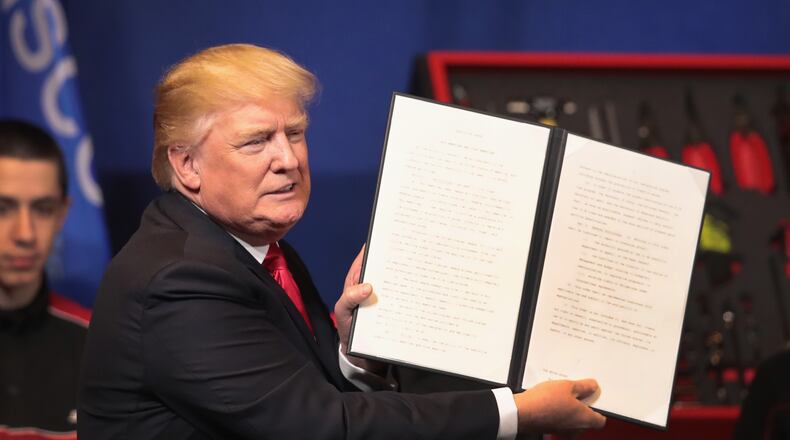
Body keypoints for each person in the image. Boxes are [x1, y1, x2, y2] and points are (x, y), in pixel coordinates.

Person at [78, 43, 606, 439]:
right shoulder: (180, 277)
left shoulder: (256, 250)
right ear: (187, 165)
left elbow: (303, 397)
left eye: (295, 133)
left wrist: (356, 353)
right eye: (256, 141)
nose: (288, 159)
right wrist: (518, 411)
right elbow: (319, 427)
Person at [0, 120, 90, 439]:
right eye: (3, 209)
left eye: (42, 209)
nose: (25, 234)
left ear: (62, 215)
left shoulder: (100, 344)